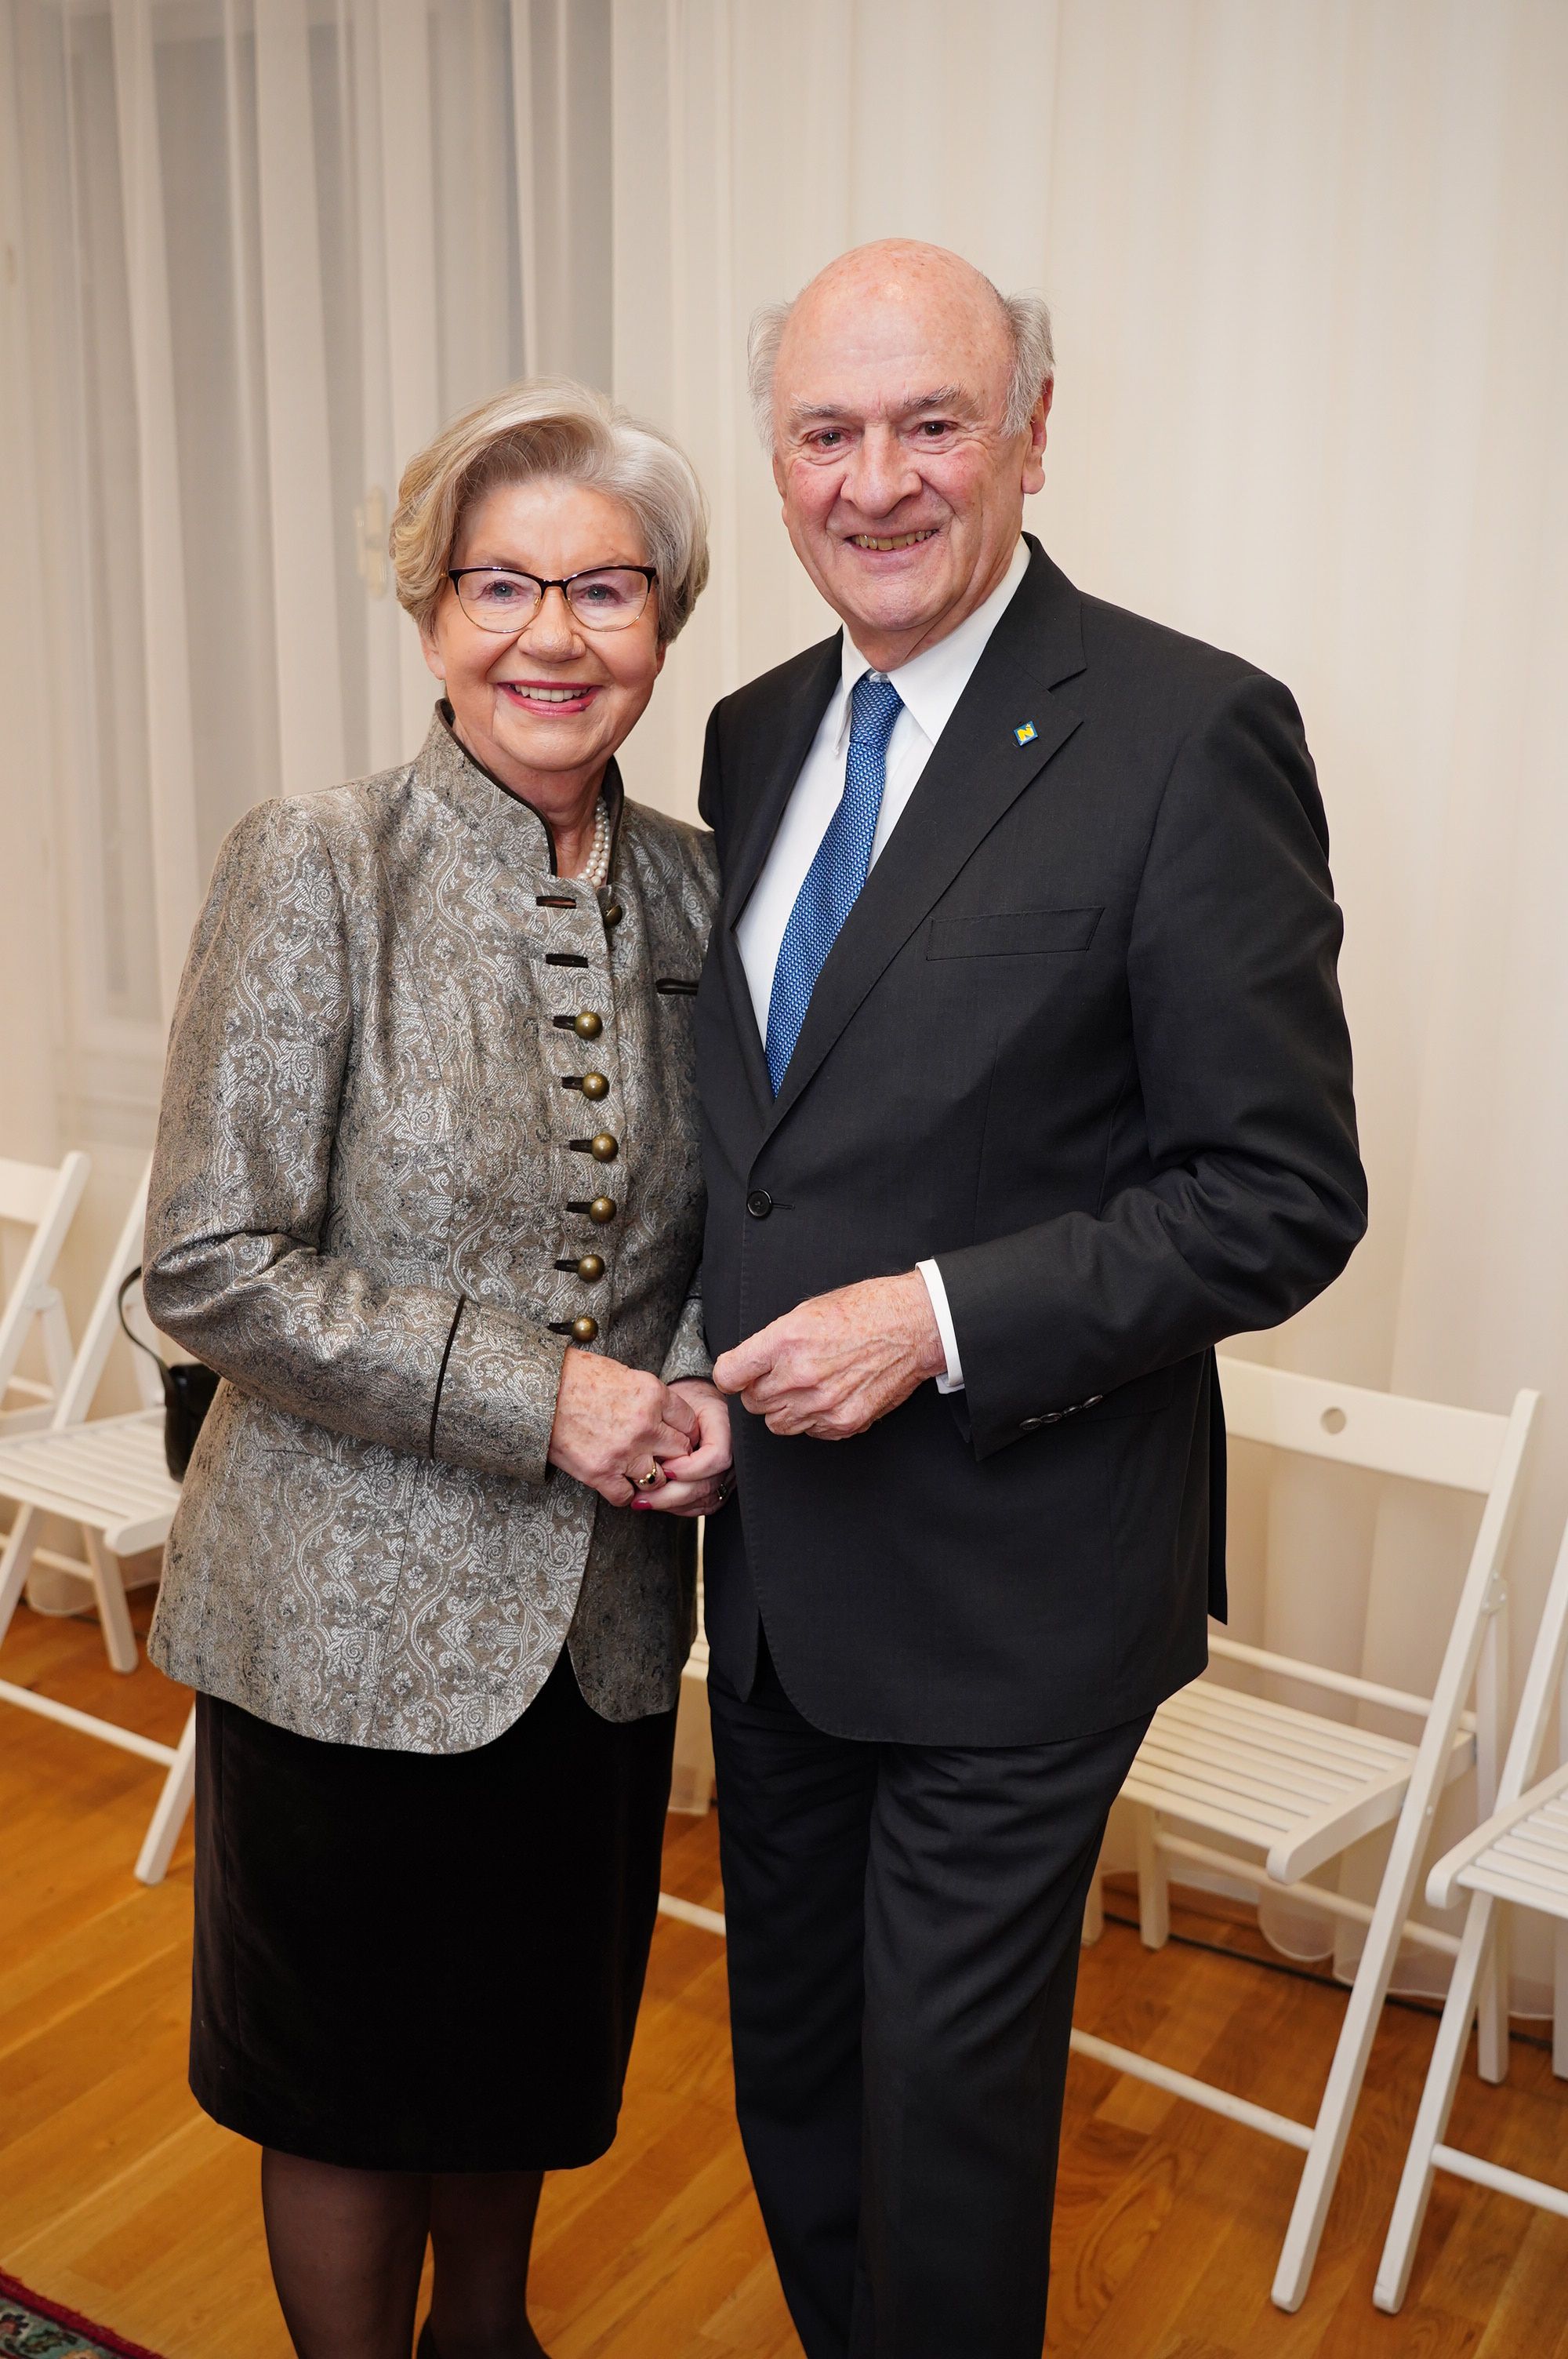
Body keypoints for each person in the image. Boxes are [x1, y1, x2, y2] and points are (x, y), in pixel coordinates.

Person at [694, 241, 1367, 2358]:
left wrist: (937, 1319)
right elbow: (774, 1137)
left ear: (1033, 435)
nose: (874, 481)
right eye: (826, 431)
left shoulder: (1187, 731)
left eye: (931, 423)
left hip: (1021, 1586)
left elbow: (1278, 1194)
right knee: (796, 2080)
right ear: (778, 458)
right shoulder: (746, 732)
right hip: (777, 1577)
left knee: (945, 2123)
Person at [143, 378, 731, 2359]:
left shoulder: (703, 890)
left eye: (607, 588)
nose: (553, 634)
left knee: (523, 2049)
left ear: (664, 626)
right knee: (342, 2072)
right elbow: (209, 1266)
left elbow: (745, 1217)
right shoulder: (317, 865)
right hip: (333, 1611)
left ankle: (494, 2338)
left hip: (602, 1620)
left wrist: (708, 1387)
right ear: (428, 616)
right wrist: (539, 1396)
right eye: (502, 583)